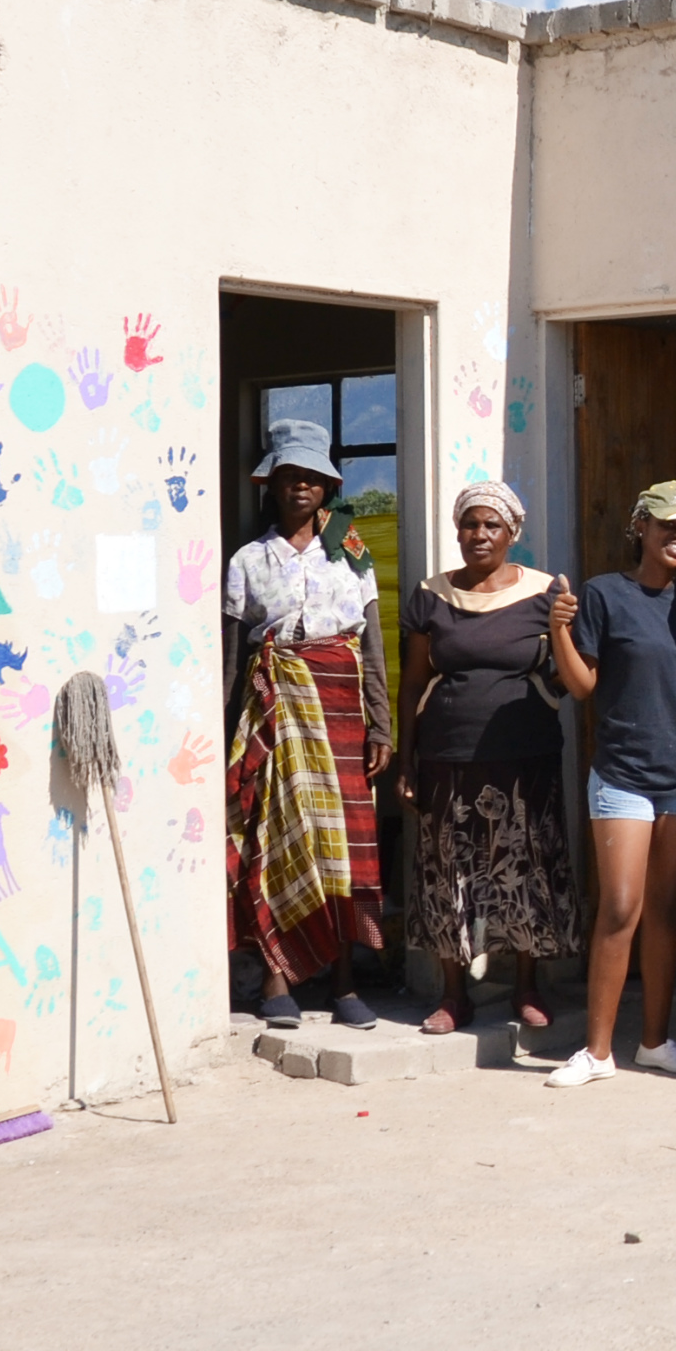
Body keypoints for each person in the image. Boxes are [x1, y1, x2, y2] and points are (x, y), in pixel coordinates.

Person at [539, 482, 676, 1087]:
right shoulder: (602, 595)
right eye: (669, 526)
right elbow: (582, 687)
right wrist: (559, 630)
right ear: (640, 524)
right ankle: (596, 1052)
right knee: (620, 908)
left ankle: (654, 1041)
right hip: (622, 776)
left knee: (665, 912)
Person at [223, 418, 392, 1031]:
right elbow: (233, 651)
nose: (300, 488)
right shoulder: (248, 559)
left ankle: (345, 983)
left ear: (327, 488)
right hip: (275, 705)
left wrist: (381, 725)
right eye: (289, 477)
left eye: (312, 479)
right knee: (276, 837)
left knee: (341, 847)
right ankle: (276, 978)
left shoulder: (351, 546)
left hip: (342, 704)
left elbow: (371, 643)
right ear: (271, 485)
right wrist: (224, 731)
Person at [395, 480, 578, 1037]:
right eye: (470, 524)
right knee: (447, 870)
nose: (479, 535)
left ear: (512, 533)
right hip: (447, 754)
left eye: (491, 525)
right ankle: (454, 994)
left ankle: (526, 985)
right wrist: (407, 760)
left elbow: (569, 674)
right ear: (457, 531)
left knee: (526, 868)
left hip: (525, 754)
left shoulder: (547, 593)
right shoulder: (432, 596)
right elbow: (412, 684)